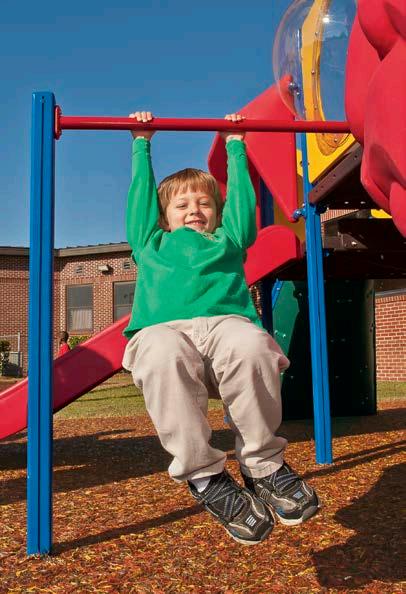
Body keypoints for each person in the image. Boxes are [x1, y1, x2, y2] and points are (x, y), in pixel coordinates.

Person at [122, 110, 320, 545]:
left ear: (217, 211)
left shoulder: (229, 240)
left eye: (204, 203)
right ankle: (205, 476)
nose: (194, 210)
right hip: (165, 331)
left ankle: (263, 464)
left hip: (226, 326)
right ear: (164, 216)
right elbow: (139, 204)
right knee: (161, 352)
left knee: (253, 345)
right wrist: (141, 143)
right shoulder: (151, 242)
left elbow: (244, 212)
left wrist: (236, 145)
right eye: (182, 205)